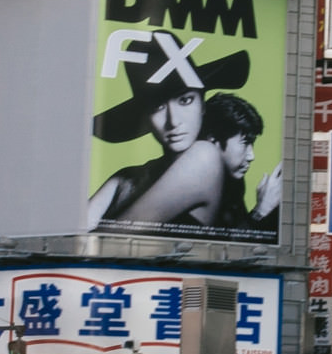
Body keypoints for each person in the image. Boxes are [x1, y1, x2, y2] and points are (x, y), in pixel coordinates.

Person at [87, 36, 253, 230]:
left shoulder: (204, 156)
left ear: (202, 105)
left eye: (185, 100)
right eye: (158, 107)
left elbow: (107, 241)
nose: (173, 121)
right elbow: (75, 237)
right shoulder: (125, 178)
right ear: (145, 118)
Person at [201, 91, 282, 236]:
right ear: (213, 140)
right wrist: (261, 210)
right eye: (245, 143)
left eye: (252, 144)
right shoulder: (188, 183)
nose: (252, 156)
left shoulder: (233, 182)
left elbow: (238, 238)